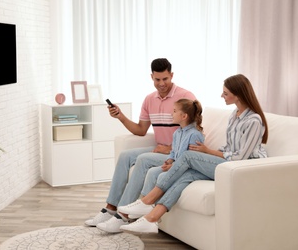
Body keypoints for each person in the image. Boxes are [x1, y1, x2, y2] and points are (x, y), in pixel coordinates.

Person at [118, 74, 269, 233]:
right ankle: (152, 218)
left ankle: (147, 201)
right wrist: (207, 155)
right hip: (227, 164)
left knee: (188, 156)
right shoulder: (234, 115)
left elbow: (240, 157)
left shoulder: (254, 121)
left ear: (237, 95)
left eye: (225, 93)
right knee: (187, 174)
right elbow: (229, 147)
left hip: (242, 168)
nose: (221, 96)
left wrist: (207, 152)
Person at [84, 58, 196, 233]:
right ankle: (110, 208)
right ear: (151, 77)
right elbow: (141, 130)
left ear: (172, 75)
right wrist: (120, 116)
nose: (161, 84)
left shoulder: (185, 97)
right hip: (160, 149)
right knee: (125, 155)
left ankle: (122, 217)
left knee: (143, 159)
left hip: (177, 153)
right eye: (157, 80)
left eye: (165, 79)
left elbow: (194, 132)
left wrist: (170, 149)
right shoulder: (149, 99)